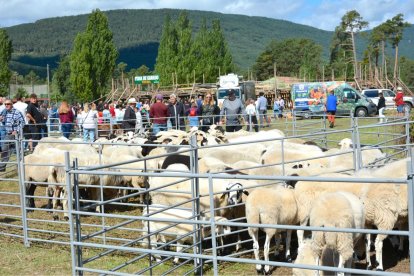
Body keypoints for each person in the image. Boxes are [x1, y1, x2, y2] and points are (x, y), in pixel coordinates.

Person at [0, 99, 25, 171]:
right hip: (8, 134)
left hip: (16, 135)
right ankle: (2, 168)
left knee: (19, 151)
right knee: (4, 151)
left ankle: (21, 167)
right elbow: (3, 120)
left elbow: (22, 123)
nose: (6, 105)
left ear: (12, 104)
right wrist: (1, 119)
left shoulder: (17, 112)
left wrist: (16, 131)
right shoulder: (4, 111)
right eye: (5, 104)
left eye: (8, 104)